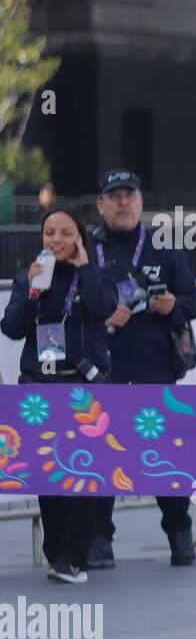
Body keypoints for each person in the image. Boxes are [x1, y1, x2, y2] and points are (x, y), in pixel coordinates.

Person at [87, 169, 196, 569]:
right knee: (102, 455)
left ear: (141, 203)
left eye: (129, 195)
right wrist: (102, 316)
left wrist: (174, 306)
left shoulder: (164, 248)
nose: (122, 202)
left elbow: (195, 301)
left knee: (165, 455)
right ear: (100, 204)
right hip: (103, 371)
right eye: (114, 196)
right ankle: (99, 540)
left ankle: (179, 533)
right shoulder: (87, 248)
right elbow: (66, 303)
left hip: (156, 371)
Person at [2, 207, 117, 584]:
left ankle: (74, 557)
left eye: (65, 233)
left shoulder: (94, 277)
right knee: (49, 475)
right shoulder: (29, 276)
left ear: (79, 237)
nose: (56, 240)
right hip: (41, 388)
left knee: (83, 473)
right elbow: (13, 328)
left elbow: (103, 309)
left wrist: (85, 270)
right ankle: (57, 556)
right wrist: (33, 292)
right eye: (49, 232)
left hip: (84, 390)